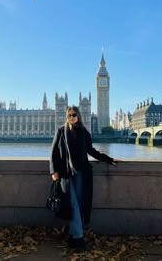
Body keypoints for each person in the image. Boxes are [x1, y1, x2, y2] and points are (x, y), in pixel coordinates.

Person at [50, 105, 118, 251]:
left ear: (79, 116)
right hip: (66, 174)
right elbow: (54, 153)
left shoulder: (84, 133)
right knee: (73, 204)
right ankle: (79, 238)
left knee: (79, 205)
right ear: (66, 117)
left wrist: (108, 159)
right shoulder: (61, 131)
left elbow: (91, 151)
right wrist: (53, 171)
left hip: (81, 173)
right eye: (69, 115)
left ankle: (72, 236)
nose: (72, 117)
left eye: (74, 115)